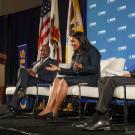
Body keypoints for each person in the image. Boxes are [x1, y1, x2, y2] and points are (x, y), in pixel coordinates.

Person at [36, 31, 101, 119]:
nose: (71, 44)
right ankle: (48, 108)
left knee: (64, 81)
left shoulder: (93, 51)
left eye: (73, 41)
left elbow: (94, 69)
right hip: (80, 77)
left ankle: (54, 111)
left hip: (91, 79)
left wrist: (82, 66)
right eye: (71, 41)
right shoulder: (76, 54)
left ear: (81, 40)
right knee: (57, 79)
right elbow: (73, 71)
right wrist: (59, 69)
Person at [0, 45, 58, 119]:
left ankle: (12, 107)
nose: (42, 52)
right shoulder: (34, 63)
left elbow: (51, 78)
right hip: (29, 81)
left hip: (41, 82)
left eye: (44, 50)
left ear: (49, 52)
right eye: (41, 50)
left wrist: (36, 75)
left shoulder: (53, 62)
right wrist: (28, 72)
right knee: (22, 70)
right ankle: (21, 92)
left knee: (23, 73)